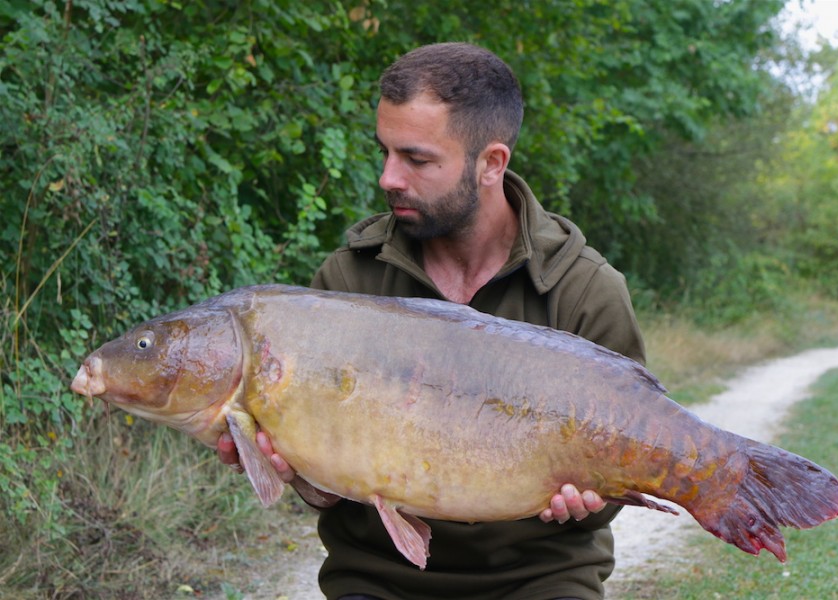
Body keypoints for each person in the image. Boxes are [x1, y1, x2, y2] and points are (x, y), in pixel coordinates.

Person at [218, 42, 645, 600]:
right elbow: (326, 491)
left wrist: (589, 504)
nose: (388, 178)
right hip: (378, 579)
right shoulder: (347, 282)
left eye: (416, 160)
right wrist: (300, 474)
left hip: (540, 578)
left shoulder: (584, 290)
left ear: (491, 163)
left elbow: (617, 490)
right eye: (385, 152)